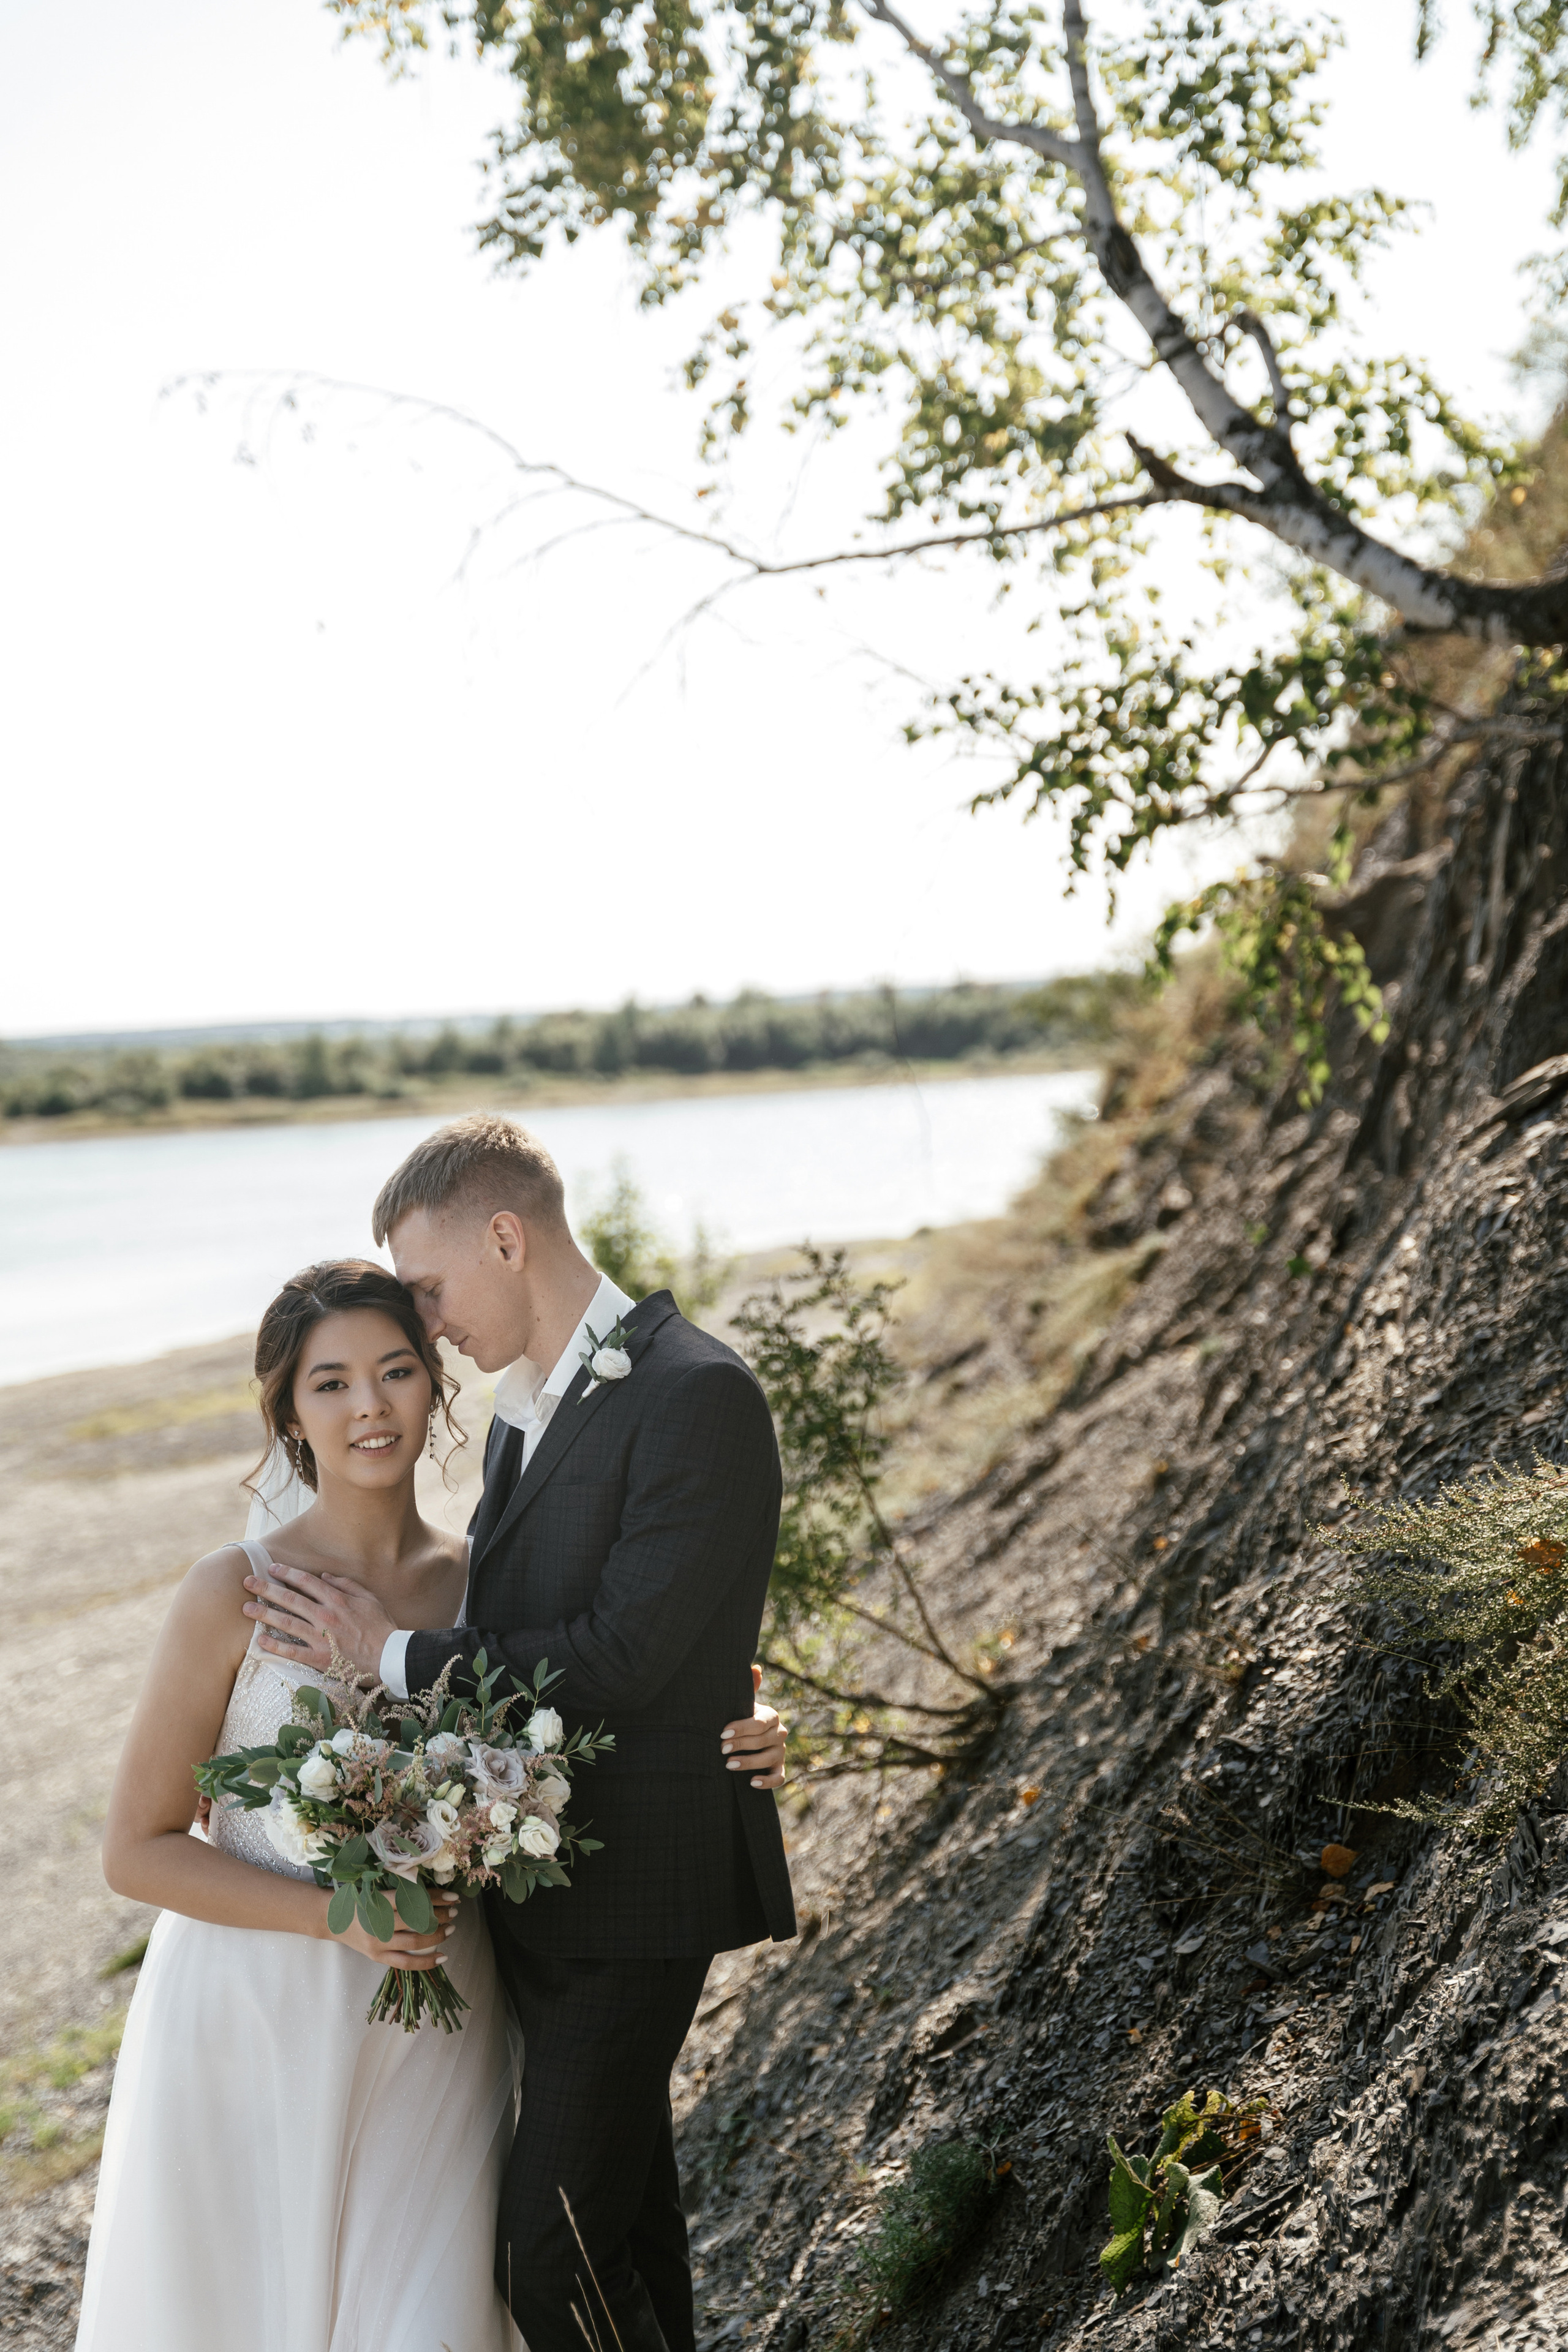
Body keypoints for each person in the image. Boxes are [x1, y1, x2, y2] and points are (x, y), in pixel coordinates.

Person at [78, 1255, 786, 2352]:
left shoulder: (484, 1585)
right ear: (290, 1412)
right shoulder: (233, 1590)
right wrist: (336, 1915)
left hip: (444, 2023)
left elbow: (605, 1683)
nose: (369, 1405)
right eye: (331, 1383)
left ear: (434, 1387)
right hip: (255, 2022)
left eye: (397, 1369)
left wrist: (738, 1726)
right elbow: (136, 1849)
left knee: (427, 2317)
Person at [242, 1114, 797, 2352]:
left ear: (506, 1237)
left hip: (639, 1894)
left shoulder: (694, 1390)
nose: (425, 1320)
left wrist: (380, 1653)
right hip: (539, 1886)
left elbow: (622, 1652)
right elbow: (557, 1620)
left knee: (544, 2257)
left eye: (431, 1286)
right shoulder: (517, 1412)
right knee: (626, 2226)